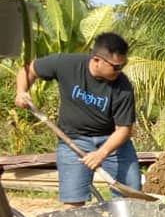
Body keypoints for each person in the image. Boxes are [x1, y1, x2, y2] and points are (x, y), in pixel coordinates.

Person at [15, 32, 141, 207]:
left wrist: (101, 153)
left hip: (113, 143)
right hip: (73, 140)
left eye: (123, 65)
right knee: (73, 202)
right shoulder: (66, 64)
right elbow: (29, 69)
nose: (120, 71)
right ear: (97, 60)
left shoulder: (123, 87)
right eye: (116, 66)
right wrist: (21, 91)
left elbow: (124, 130)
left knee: (133, 200)